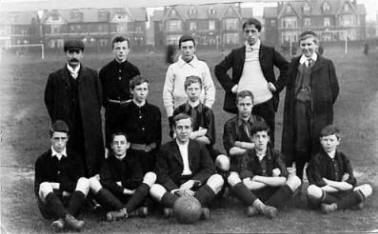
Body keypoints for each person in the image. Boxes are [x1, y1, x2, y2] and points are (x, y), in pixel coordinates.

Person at [215, 18, 289, 145]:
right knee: (245, 136)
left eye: (253, 31)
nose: (250, 34)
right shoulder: (237, 53)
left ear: (259, 32)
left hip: (265, 101)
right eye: (247, 31)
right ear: (243, 33)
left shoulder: (269, 51)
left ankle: (269, 162)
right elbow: (219, 69)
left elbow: (286, 67)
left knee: (266, 137)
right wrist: (232, 88)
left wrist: (277, 86)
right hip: (245, 104)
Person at [281, 31, 339, 180]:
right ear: (300, 45)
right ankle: (298, 178)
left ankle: (316, 178)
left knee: (317, 142)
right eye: (303, 44)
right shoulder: (294, 64)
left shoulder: (326, 64)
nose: (306, 48)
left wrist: (322, 104)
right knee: (300, 143)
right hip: (298, 109)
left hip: (318, 111)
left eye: (309, 44)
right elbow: (289, 87)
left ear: (316, 45)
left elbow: (334, 89)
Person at [44, 40, 104, 177]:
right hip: (68, 126)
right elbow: (49, 101)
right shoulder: (55, 77)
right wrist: (59, 119)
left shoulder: (92, 75)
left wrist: (89, 116)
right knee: (69, 156)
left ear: (82, 54)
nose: (74, 56)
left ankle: (91, 182)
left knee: (89, 156)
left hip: (88, 127)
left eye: (77, 52)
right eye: (71, 52)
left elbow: (99, 99)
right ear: (66, 54)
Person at [150, 113, 224, 219]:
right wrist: (178, 191)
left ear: (191, 129)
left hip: (196, 189)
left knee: (218, 179)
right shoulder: (165, 149)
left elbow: (209, 168)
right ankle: (197, 209)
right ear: (174, 129)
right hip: (175, 188)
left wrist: (193, 182)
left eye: (187, 127)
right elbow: (161, 174)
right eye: (180, 128)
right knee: (154, 188)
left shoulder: (200, 146)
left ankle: (176, 209)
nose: (183, 131)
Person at [227, 122, 301, 218]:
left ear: (268, 139)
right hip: (254, 195)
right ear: (252, 139)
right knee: (232, 177)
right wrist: (272, 180)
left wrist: (257, 177)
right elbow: (248, 185)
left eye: (263, 136)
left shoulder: (276, 154)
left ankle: (256, 209)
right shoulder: (246, 155)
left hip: (273, 193)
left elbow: (282, 181)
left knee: (296, 180)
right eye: (257, 137)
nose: (260, 140)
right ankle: (263, 207)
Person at [34, 120, 90, 232]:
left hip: (71, 202)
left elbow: (78, 185)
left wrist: (56, 186)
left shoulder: (75, 158)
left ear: (67, 138)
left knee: (84, 181)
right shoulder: (42, 160)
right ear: (51, 138)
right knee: (44, 185)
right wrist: (64, 190)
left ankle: (62, 221)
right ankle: (71, 220)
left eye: (63, 139)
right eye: (56, 138)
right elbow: (37, 189)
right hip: (50, 205)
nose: (59, 142)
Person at [88, 132, 157, 221]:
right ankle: (133, 212)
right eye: (116, 143)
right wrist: (125, 191)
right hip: (114, 197)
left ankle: (122, 212)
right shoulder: (107, 162)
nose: (119, 146)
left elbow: (137, 180)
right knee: (92, 181)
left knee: (151, 175)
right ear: (111, 146)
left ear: (127, 145)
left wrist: (119, 183)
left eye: (122, 143)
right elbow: (106, 182)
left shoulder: (134, 160)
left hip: (134, 196)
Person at [306, 125, 373, 213]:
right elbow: (319, 184)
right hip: (327, 193)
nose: (328, 143)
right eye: (325, 140)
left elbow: (351, 183)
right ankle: (351, 202)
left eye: (332, 140)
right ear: (320, 141)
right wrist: (341, 185)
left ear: (338, 141)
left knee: (368, 188)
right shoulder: (316, 160)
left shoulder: (343, 157)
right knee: (311, 190)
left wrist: (330, 182)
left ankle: (334, 206)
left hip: (342, 192)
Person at [172, 76, 227, 168]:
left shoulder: (207, 112)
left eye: (196, 89)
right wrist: (199, 133)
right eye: (190, 89)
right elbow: (175, 136)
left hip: (204, 150)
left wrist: (187, 135)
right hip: (183, 150)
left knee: (224, 162)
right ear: (186, 90)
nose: (193, 92)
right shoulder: (178, 111)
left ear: (201, 90)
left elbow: (209, 140)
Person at [163, 35, 215, 124]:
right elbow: (167, 92)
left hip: (199, 112)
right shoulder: (173, 68)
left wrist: (207, 109)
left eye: (190, 47)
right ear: (180, 49)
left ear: (194, 49)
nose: (187, 51)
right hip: (179, 112)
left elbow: (210, 88)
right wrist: (170, 114)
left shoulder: (202, 66)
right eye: (184, 48)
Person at [99, 36, 140, 148]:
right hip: (112, 110)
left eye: (123, 48)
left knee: (130, 140)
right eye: (118, 48)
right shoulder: (105, 71)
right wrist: (108, 105)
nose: (121, 51)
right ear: (113, 50)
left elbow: (137, 90)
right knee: (112, 142)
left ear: (128, 50)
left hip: (129, 109)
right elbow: (101, 93)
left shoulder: (133, 70)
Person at [120, 76, 161, 172]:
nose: (142, 93)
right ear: (131, 91)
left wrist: (151, 148)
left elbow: (158, 137)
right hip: (130, 155)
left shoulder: (154, 111)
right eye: (138, 89)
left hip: (150, 156)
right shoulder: (123, 111)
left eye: (145, 89)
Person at [223, 90, 266, 172]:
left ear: (252, 105)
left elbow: (266, 146)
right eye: (242, 104)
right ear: (237, 105)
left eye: (248, 104)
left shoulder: (260, 121)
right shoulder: (230, 124)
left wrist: (240, 144)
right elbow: (231, 150)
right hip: (238, 164)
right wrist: (255, 148)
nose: (245, 107)